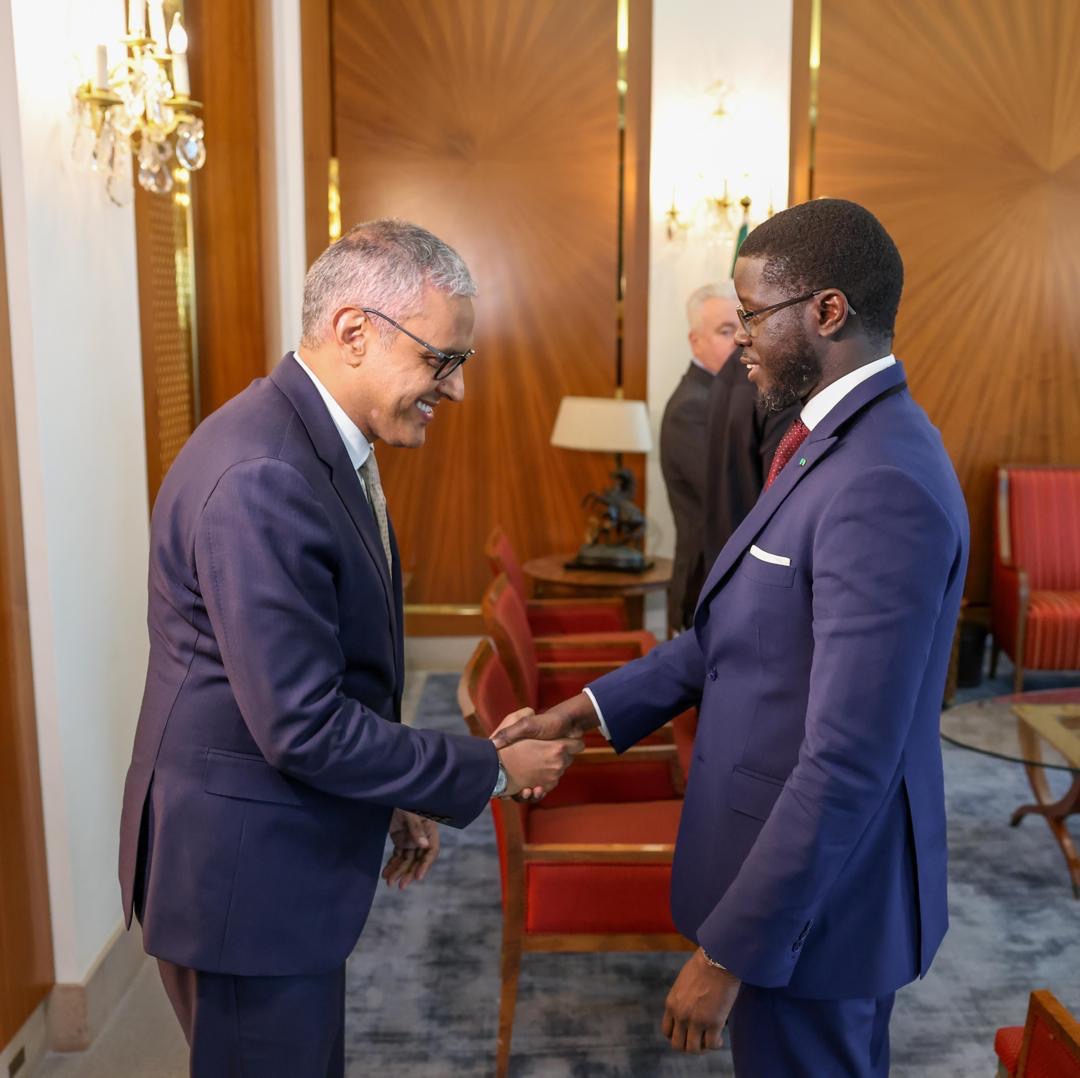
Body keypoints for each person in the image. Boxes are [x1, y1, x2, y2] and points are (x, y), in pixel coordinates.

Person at [495, 199, 969, 1076]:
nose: (739, 339)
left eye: (752, 315)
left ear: (827, 312)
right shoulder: (825, 440)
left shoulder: (883, 479)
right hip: (789, 879)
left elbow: (848, 759)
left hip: (822, 910)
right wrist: (581, 710)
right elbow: (734, 631)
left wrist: (728, 952)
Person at [118, 219, 581, 1077]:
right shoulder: (265, 474)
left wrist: (392, 788)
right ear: (355, 331)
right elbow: (301, 725)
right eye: (441, 361)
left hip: (271, 848)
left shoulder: (312, 443)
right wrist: (486, 767)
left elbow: (328, 671)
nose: (456, 389)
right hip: (244, 876)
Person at [659, 283, 740, 631]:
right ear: (696, 341)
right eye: (726, 330)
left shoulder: (729, 395)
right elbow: (726, 498)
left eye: (745, 326)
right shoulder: (691, 407)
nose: (740, 339)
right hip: (704, 586)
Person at [702, 314, 798, 567]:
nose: (738, 335)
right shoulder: (780, 377)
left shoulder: (727, 371)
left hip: (726, 558)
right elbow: (781, 500)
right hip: (762, 562)